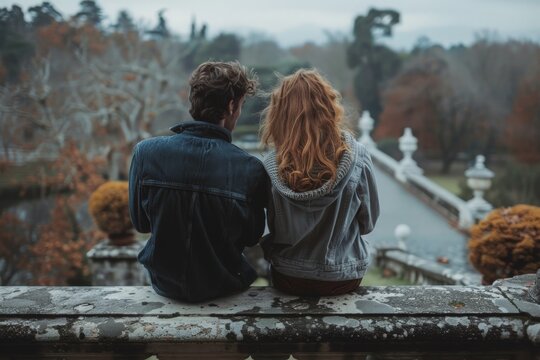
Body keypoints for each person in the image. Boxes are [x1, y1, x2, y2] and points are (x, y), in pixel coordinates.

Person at [129, 61, 267, 303]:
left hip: (164, 286)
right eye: (241, 105)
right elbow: (252, 235)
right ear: (232, 105)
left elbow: (141, 224)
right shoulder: (250, 168)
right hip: (224, 287)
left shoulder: (146, 153)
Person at [260, 69, 380, 296]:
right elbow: (368, 223)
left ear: (280, 114)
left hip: (289, 276)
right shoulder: (358, 157)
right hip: (343, 276)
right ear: (328, 107)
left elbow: (271, 228)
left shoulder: (270, 165)